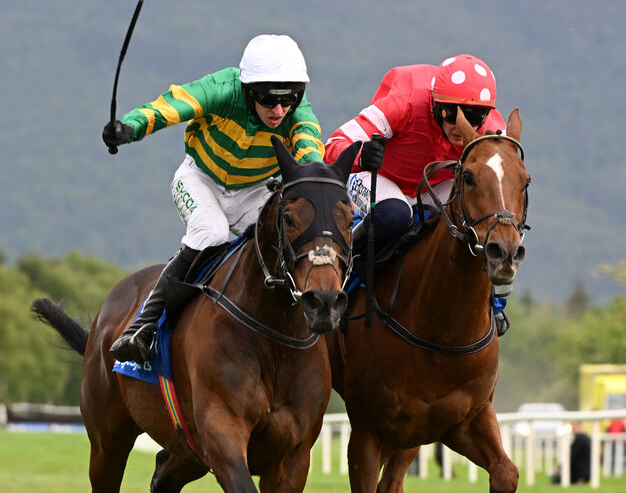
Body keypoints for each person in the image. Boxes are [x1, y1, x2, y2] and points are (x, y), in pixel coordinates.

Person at [102, 34, 324, 364]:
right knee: (212, 232)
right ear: (248, 91)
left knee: (287, 233)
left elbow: (310, 153)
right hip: (199, 180)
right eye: (267, 99)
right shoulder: (222, 89)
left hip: (253, 193)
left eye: (289, 99)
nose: (279, 110)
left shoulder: (297, 113)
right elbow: (172, 106)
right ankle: (142, 327)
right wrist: (129, 128)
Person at [323, 54, 511, 334]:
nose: (462, 127)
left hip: (435, 184)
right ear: (435, 105)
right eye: (452, 114)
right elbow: (334, 146)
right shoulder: (405, 103)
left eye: (474, 118)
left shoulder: (494, 129)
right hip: (381, 177)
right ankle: (343, 278)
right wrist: (361, 156)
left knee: (484, 212)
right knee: (396, 214)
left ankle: (493, 301)